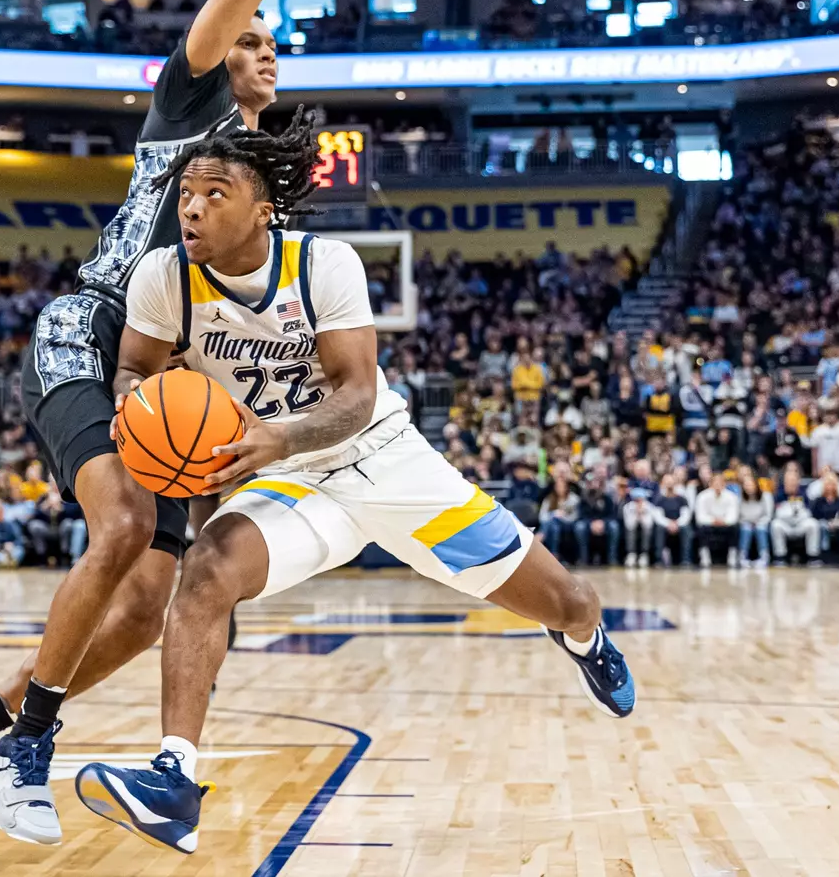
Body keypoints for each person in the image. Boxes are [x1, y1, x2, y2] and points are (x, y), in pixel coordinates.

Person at [0, 0, 413, 859]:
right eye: (248, 38)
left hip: (180, 381)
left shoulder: (271, 196)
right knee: (120, 527)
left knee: (142, 607)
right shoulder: (189, 107)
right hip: (87, 334)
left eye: (273, 44)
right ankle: (31, 740)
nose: (261, 48)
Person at [73, 112, 634, 855]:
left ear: (262, 206)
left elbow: (357, 394)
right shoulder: (164, 276)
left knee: (566, 600)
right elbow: (135, 368)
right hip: (290, 486)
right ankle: (174, 781)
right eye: (186, 193)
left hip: (386, 463)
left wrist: (282, 433)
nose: (194, 208)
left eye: (215, 192)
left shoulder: (323, 264)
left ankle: (586, 638)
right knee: (205, 571)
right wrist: (132, 405)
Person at [692, 471, 740, 567]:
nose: (718, 485)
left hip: (725, 525)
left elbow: (733, 517)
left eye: (720, 483)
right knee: (701, 529)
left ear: (724, 484)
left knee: (735, 528)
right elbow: (700, 517)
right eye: (715, 483)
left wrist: (723, 521)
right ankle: (705, 558)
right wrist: (713, 520)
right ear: (710, 484)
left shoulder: (731, 497)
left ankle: (732, 557)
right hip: (709, 525)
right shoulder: (702, 496)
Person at [736, 467, 773, 568]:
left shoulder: (766, 496)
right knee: (746, 529)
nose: (749, 487)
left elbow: (768, 515)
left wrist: (759, 522)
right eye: (746, 485)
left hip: (761, 522)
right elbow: (738, 516)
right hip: (745, 522)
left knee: (761, 529)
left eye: (751, 485)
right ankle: (742, 557)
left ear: (756, 485)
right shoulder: (739, 498)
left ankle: (764, 556)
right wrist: (746, 522)